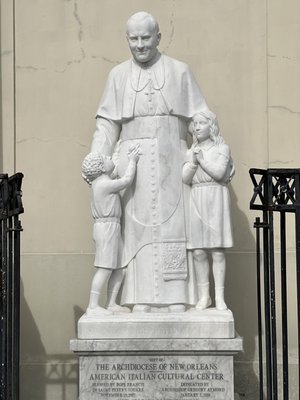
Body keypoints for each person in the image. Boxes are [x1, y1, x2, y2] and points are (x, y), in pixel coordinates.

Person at [90, 11, 208, 312]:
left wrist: (207, 155)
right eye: (133, 39)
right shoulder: (117, 75)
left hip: (171, 157)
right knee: (137, 232)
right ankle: (138, 298)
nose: (140, 44)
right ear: (127, 39)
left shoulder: (180, 71)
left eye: (146, 38)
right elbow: (106, 125)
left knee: (173, 229)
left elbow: (201, 118)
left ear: (158, 37)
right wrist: (97, 157)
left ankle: (177, 298)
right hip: (135, 165)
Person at [182, 110, 234, 311]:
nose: (196, 127)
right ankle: (204, 296)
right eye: (194, 123)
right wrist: (193, 162)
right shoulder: (191, 152)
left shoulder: (222, 148)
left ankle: (219, 296)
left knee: (217, 250)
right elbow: (185, 178)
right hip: (197, 196)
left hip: (215, 197)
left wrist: (202, 160)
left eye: (201, 123)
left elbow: (220, 173)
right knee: (198, 251)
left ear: (211, 125)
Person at [81, 145, 140, 316]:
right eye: (106, 159)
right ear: (100, 168)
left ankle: (112, 303)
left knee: (120, 266)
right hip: (106, 228)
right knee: (105, 267)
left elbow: (112, 170)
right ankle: (92, 305)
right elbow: (126, 181)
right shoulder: (103, 184)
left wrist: (116, 153)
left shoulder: (102, 181)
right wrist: (132, 162)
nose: (110, 160)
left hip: (113, 226)